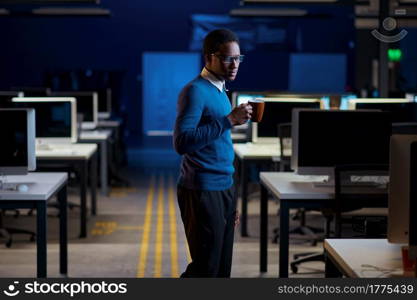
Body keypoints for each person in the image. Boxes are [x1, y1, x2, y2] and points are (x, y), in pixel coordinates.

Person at [173, 28, 252, 277]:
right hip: (202, 189)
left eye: (238, 58)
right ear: (209, 58)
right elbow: (182, 142)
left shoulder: (221, 90)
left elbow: (220, 148)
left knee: (221, 268)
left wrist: (231, 200)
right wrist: (229, 120)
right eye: (228, 58)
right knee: (206, 268)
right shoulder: (195, 90)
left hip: (223, 188)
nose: (234, 64)